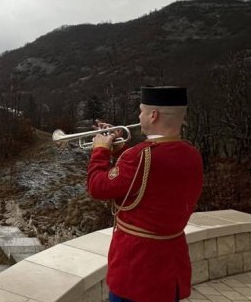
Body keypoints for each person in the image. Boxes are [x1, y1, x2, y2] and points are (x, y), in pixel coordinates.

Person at [87, 86, 204, 302]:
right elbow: (146, 180)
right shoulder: (192, 154)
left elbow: (97, 187)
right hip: (171, 268)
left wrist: (100, 150)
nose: (138, 116)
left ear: (153, 115)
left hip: (136, 270)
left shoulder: (139, 157)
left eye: (141, 111)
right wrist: (121, 147)